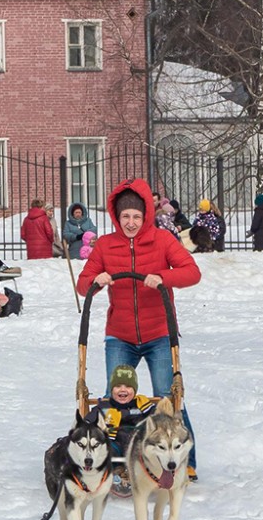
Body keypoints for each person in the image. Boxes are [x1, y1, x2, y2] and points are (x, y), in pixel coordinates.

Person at [76, 177, 201, 478]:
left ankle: (188, 462)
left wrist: (163, 277)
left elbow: (192, 272)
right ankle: (112, 460)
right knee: (112, 398)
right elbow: (82, 284)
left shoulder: (162, 240)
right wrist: (96, 280)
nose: (130, 223)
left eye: (136, 216)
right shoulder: (106, 245)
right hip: (120, 335)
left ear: (146, 215)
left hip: (159, 332)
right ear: (116, 218)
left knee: (167, 399)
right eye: (125, 217)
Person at [86, 364, 158, 468]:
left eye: (128, 386)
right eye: (118, 386)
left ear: (135, 390)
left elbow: (157, 418)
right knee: (104, 451)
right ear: (111, 390)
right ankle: (111, 475)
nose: (123, 390)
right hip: (114, 446)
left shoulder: (143, 407)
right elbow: (86, 423)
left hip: (139, 447)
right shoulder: (104, 408)